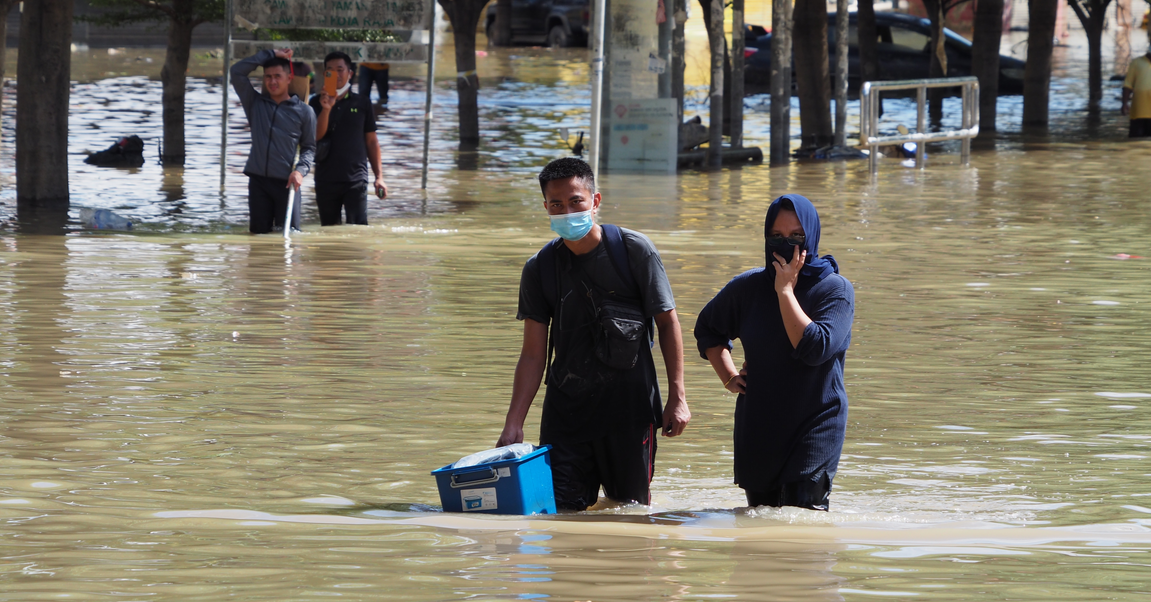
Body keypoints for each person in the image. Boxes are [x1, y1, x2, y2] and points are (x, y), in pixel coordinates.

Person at [497, 158, 691, 511]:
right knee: (561, 516)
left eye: (575, 201)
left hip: (629, 410)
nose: (566, 210)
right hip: (566, 412)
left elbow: (668, 323)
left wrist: (677, 396)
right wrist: (514, 424)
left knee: (629, 512)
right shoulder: (540, 268)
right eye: (556, 204)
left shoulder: (633, 251)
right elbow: (532, 354)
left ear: (595, 201)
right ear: (545, 208)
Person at [693, 195, 854, 511]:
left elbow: (814, 347)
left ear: (811, 237)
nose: (785, 245)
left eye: (796, 236)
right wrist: (727, 375)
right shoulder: (749, 287)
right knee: (760, 523)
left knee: (802, 523)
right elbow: (708, 329)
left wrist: (785, 291)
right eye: (776, 237)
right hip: (760, 422)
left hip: (815, 420)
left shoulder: (835, 289)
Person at [231, 49, 316, 234]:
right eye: (268, 77)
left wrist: (300, 172)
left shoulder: (304, 112)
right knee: (258, 239)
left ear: (289, 78)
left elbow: (309, 148)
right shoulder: (255, 104)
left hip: (287, 184)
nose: (272, 81)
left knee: (290, 238)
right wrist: (268, 54)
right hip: (258, 183)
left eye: (278, 76)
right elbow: (236, 72)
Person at [309, 52, 388, 226]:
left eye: (340, 69)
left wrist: (379, 177)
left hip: (355, 179)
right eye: (330, 70)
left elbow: (372, 142)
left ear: (350, 73)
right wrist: (326, 109)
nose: (335, 74)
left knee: (358, 229)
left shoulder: (362, 102)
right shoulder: (315, 103)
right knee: (329, 230)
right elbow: (315, 136)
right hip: (325, 179)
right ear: (324, 74)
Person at [1121, 45, 1151, 138]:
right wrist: (1124, 103)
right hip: (1139, 112)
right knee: (1136, 140)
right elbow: (1128, 85)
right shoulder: (1136, 63)